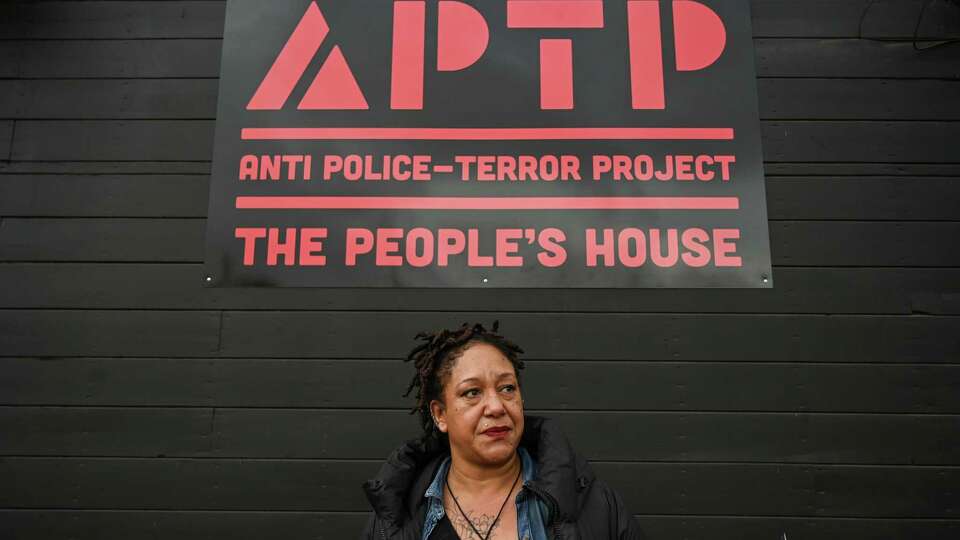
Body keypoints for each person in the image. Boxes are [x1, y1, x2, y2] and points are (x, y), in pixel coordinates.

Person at [361, 322, 645, 540]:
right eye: (472, 392)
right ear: (440, 414)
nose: (496, 406)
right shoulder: (395, 516)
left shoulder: (595, 505)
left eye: (507, 388)